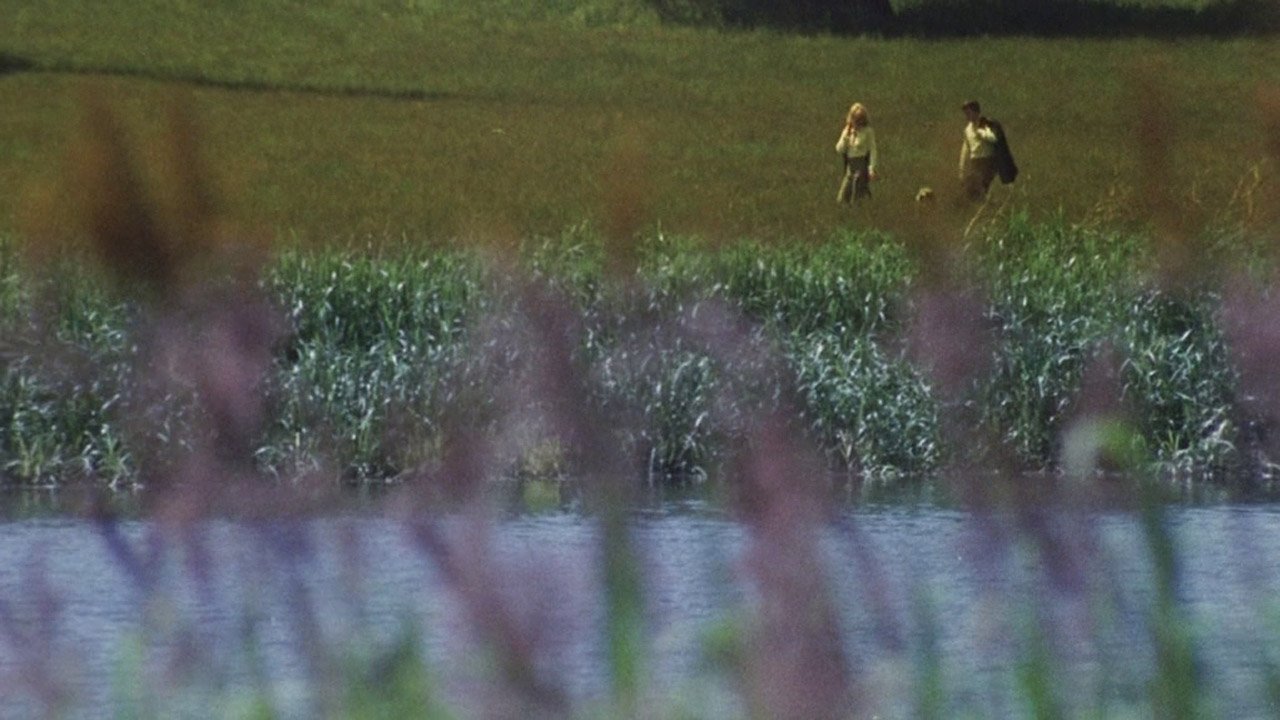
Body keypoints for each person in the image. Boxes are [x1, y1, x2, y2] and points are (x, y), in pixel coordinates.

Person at [957, 100, 1016, 201]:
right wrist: (961, 168)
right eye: (966, 113)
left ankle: (988, 203)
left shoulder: (986, 124)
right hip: (975, 161)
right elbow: (965, 149)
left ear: (976, 112)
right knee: (973, 188)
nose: (967, 115)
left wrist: (982, 134)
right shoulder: (968, 129)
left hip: (988, 161)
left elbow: (993, 138)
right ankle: (981, 204)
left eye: (969, 112)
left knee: (984, 185)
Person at [835, 103, 878, 204]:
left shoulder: (868, 132)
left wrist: (871, 168)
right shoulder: (847, 131)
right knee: (842, 199)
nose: (858, 123)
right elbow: (839, 149)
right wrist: (846, 137)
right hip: (850, 168)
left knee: (856, 196)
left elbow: (872, 150)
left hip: (861, 167)